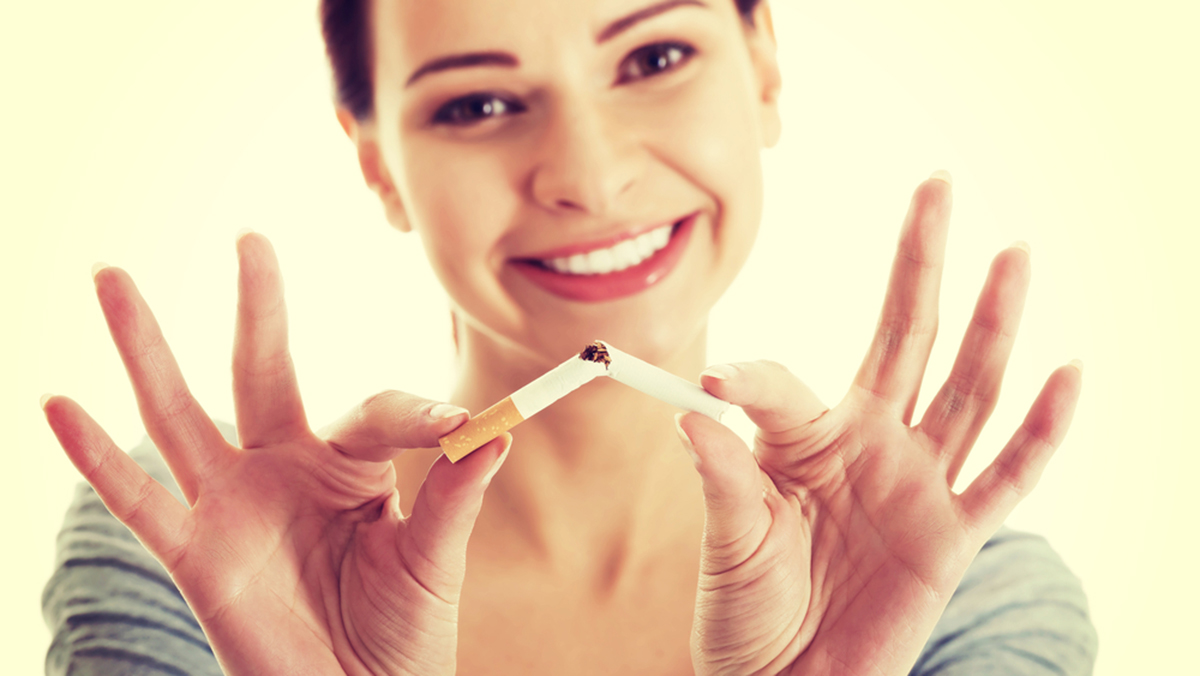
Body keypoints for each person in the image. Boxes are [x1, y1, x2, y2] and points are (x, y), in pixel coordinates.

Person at [41, 0, 1098, 674]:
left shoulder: (968, 604)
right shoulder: (192, 551)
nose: (589, 177)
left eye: (656, 55)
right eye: (482, 102)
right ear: (375, 163)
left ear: (764, 64)